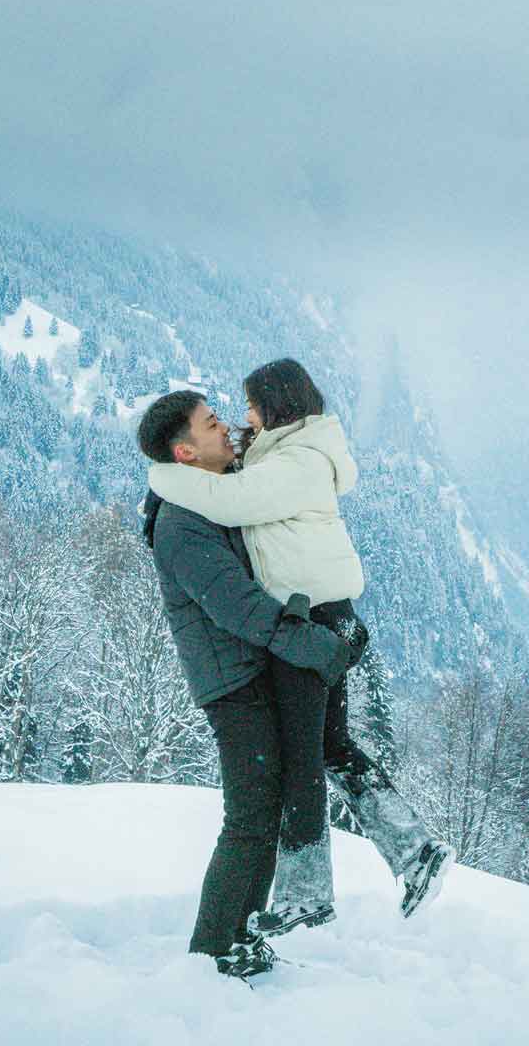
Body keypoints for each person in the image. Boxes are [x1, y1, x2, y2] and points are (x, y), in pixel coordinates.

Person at [147, 358, 454, 941]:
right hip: (299, 631)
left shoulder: (290, 463)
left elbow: (234, 501)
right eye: (218, 420)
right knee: (324, 749)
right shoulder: (287, 456)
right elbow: (233, 575)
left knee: (302, 762)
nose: (240, 422)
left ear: (278, 408)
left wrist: (164, 478)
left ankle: (306, 897)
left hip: (308, 624)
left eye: (248, 409)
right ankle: (414, 853)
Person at [138, 388, 353, 979]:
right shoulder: (181, 524)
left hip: (252, 671)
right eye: (211, 424)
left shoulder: (215, 497)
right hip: (231, 685)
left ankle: (242, 937)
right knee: (250, 816)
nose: (227, 428)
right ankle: (212, 951)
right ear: (185, 452)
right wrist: (313, 647)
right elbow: (241, 609)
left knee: (269, 806)